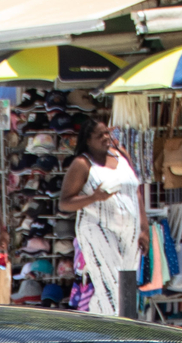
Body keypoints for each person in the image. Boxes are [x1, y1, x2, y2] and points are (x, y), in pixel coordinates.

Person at [57, 115, 143, 316]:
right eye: (99, 135)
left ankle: (118, 327)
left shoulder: (121, 155)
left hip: (130, 230)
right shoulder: (82, 164)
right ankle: (117, 333)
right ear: (88, 139)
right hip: (97, 228)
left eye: (107, 133)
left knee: (128, 283)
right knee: (110, 284)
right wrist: (95, 197)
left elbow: (136, 192)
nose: (106, 137)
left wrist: (144, 228)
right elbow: (65, 202)